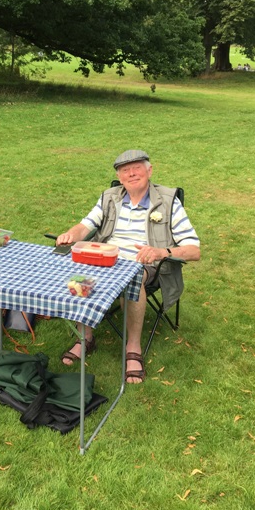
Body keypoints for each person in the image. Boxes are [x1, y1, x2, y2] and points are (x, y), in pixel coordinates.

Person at [56, 150, 200, 384]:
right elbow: (85, 226)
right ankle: (85, 337)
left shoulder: (168, 200)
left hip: (145, 263)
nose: (131, 173)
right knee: (78, 270)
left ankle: (133, 346)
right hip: (106, 257)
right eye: (125, 170)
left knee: (132, 279)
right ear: (119, 177)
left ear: (149, 171)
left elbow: (194, 250)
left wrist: (161, 252)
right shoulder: (109, 197)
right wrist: (70, 234)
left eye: (137, 168)